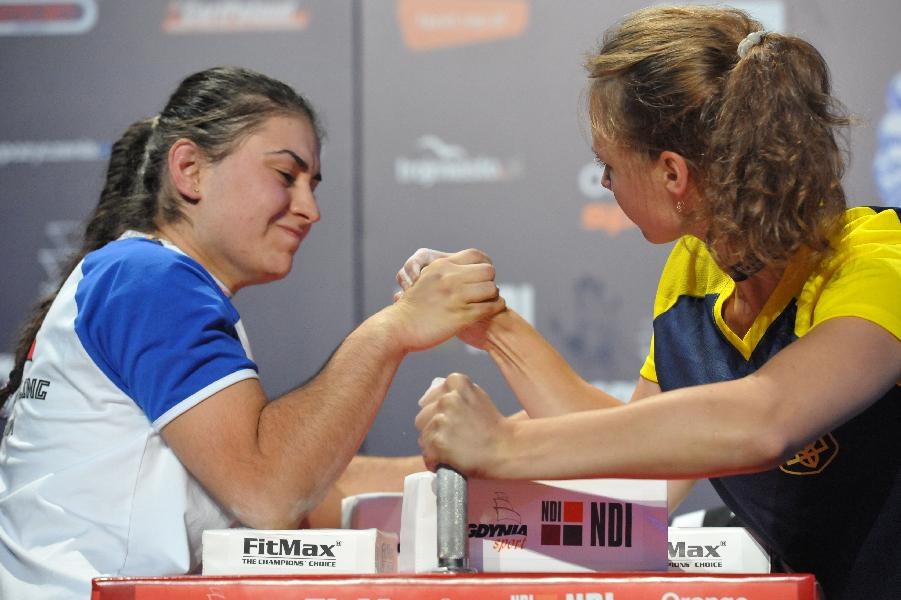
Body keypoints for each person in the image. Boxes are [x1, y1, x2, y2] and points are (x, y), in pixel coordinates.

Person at [405, 6, 901, 600]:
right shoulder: (696, 268)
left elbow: (766, 420)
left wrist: (503, 446)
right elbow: (640, 465)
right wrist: (492, 323)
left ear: (672, 174)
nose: (606, 184)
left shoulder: (878, 258)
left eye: (608, 166)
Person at [0, 66, 504, 598]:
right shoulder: (149, 279)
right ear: (190, 169)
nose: (309, 209)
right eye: (286, 176)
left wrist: (496, 456)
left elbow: (310, 486)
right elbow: (270, 491)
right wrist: (393, 329)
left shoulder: (136, 274)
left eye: (312, 184)